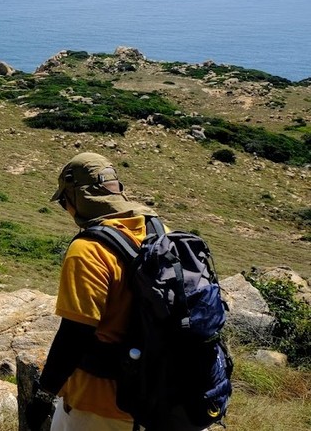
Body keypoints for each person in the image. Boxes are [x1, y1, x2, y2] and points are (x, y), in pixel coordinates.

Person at [27, 152, 205, 431]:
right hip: (161, 394)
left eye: (64, 201)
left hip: (99, 403)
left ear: (77, 198)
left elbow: (75, 334)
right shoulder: (159, 232)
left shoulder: (88, 250)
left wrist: (43, 393)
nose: (66, 209)